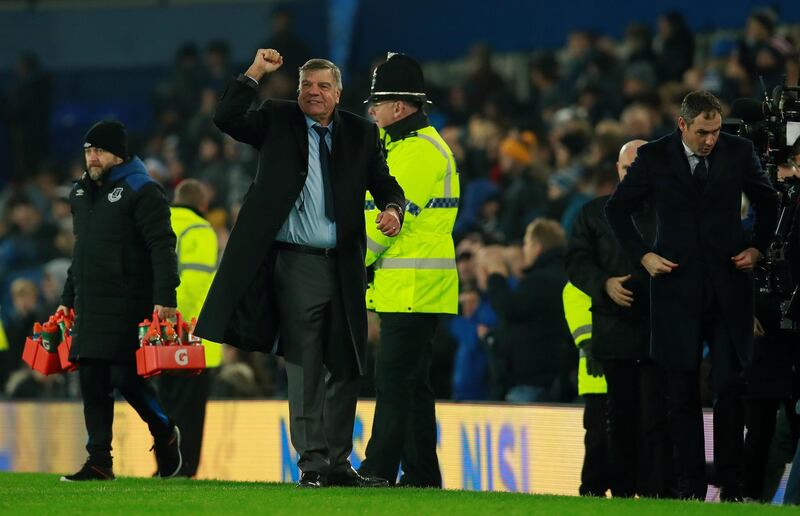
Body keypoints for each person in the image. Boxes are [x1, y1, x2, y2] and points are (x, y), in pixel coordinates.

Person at [194, 49, 405, 488]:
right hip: (296, 262)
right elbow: (227, 117)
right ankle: (312, 464)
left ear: (338, 93)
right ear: (296, 91)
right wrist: (255, 72)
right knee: (305, 363)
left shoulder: (361, 133)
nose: (313, 92)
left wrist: (393, 207)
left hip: (346, 264)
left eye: (323, 86)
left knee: (347, 361)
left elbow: (385, 181)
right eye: (306, 85)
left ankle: (339, 462)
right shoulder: (276, 118)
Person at [605, 91, 779, 501]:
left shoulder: (739, 151)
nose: (711, 140)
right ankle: (689, 488)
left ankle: (731, 488)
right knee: (680, 391)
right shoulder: (655, 156)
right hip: (676, 288)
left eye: (716, 130)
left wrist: (757, 247)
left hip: (729, 288)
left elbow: (768, 201)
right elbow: (617, 209)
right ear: (682, 125)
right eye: (703, 132)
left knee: (730, 385)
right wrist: (644, 255)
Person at [355, 53, 459, 488]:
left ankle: (378, 470)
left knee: (394, 380)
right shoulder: (405, 147)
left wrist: (348, 261)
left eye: (377, 103)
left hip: (414, 285)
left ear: (400, 107)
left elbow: (388, 221)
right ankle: (421, 476)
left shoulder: (416, 152)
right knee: (412, 386)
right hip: (410, 285)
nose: (371, 110)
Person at [58, 120, 182, 481]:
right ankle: (99, 461)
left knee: (128, 379)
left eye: (99, 151)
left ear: (119, 154)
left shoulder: (143, 190)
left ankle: (165, 433)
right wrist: (68, 298)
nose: (92, 158)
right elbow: (82, 251)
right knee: (92, 379)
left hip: (131, 301)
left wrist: (165, 298)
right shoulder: (79, 194)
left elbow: (162, 246)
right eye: (87, 151)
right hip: (91, 301)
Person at [567, 139, 674, 498]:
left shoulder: (672, 214)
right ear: (618, 170)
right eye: (629, 168)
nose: (634, 175)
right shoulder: (591, 213)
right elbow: (576, 263)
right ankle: (626, 492)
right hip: (615, 332)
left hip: (660, 331)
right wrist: (604, 284)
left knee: (656, 419)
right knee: (622, 419)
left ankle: (658, 492)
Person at [157, 179, 221, 477]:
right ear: (202, 205)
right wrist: (181, 326)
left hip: (157, 335)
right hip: (191, 337)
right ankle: (184, 468)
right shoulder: (200, 230)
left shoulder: (159, 224)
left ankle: (165, 465)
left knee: (164, 404)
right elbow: (195, 284)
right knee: (190, 410)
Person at [483, 219, 575, 402]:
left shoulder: (541, 281)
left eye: (526, 243)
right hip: (553, 377)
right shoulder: (563, 275)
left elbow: (509, 309)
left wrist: (496, 276)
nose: (524, 249)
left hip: (533, 381)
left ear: (537, 247)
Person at [561, 281, 610, 497]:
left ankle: (599, 487)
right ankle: (592, 488)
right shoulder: (580, 281)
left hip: (609, 374)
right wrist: (589, 345)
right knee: (598, 438)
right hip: (597, 378)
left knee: (603, 437)